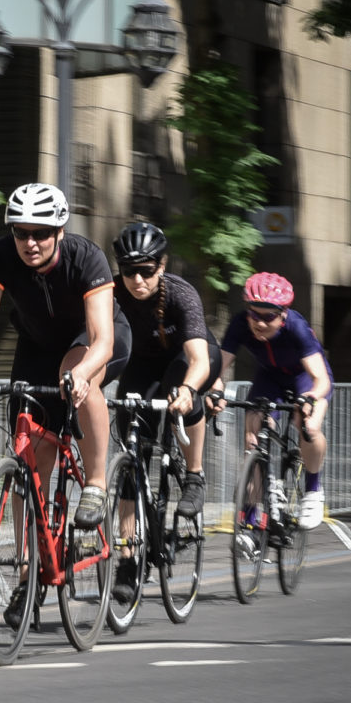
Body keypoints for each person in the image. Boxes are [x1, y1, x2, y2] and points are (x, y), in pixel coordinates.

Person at [0, 183, 130, 529]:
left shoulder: (86, 257)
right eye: (21, 233)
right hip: (37, 345)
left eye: (41, 234)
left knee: (74, 373)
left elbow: (103, 339)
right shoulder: (1, 255)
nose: (30, 243)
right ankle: (28, 564)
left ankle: (97, 483)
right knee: (31, 459)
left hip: (93, 338)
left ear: (60, 231)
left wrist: (84, 373)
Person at [109, 222, 222, 600]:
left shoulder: (180, 294)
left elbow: (199, 359)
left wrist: (191, 390)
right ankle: (127, 558)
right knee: (129, 460)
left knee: (181, 395)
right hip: (143, 364)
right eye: (128, 271)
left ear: (162, 265)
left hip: (188, 358)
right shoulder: (111, 292)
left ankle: (194, 475)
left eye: (146, 270)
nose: (137, 279)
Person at [208, 271, 333, 530]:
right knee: (253, 436)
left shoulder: (296, 327)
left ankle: (313, 489)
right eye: (254, 314)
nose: (260, 323)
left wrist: (309, 399)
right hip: (270, 378)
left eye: (269, 317)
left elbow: (321, 380)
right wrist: (216, 390)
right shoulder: (240, 324)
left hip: (306, 378)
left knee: (307, 425)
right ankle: (251, 516)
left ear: (283, 314)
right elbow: (217, 369)